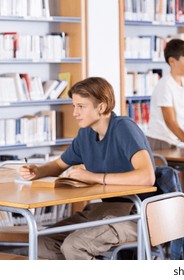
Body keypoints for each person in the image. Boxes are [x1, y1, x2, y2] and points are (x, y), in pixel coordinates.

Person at [20, 77, 156, 260]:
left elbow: (147, 177)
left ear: (101, 107)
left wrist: (94, 177)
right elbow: (59, 165)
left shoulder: (123, 128)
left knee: (73, 246)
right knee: (42, 242)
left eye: (81, 106)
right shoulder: (86, 133)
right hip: (105, 211)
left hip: (138, 213)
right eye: (74, 106)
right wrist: (38, 170)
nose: (75, 113)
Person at [146, 38, 184, 150]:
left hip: (178, 140)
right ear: (172, 61)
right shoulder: (165, 85)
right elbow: (170, 122)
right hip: (161, 141)